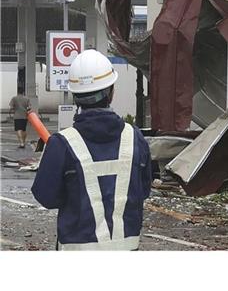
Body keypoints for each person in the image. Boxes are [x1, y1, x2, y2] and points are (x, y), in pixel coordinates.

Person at [32, 49, 152, 250]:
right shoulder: (135, 138)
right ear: (111, 93)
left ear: (75, 96)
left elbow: (46, 197)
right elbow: (144, 190)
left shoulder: (61, 144)